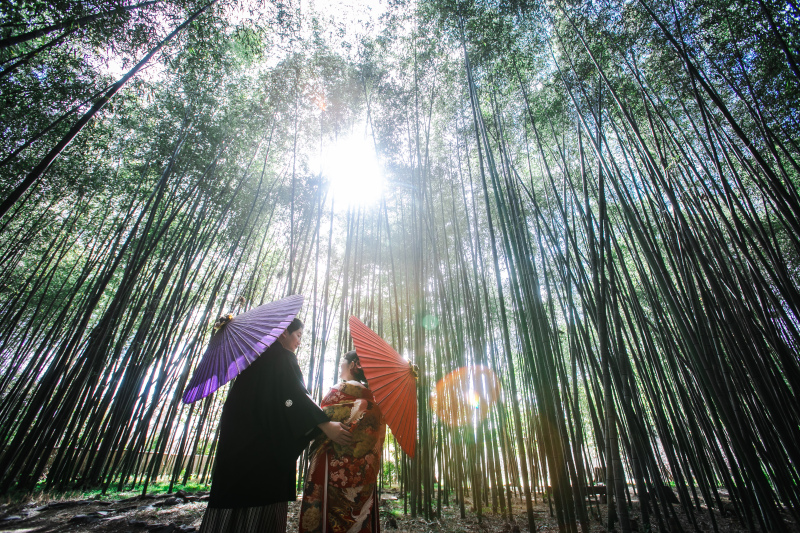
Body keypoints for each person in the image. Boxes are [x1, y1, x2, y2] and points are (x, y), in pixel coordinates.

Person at [200, 318, 352, 533]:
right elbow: (294, 396)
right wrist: (324, 424)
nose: (299, 341)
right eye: (298, 335)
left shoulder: (254, 359)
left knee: (234, 500)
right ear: (283, 333)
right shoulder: (281, 357)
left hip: (237, 448)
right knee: (261, 502)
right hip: (262, 452)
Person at [298, 350, 386, 533]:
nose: (340, 365)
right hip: (364, 476)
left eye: (343, 361)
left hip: (334, 472)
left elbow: (320, 423)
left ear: (353, 364)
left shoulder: (336, 394)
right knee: (360, 521)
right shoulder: (375, 402)